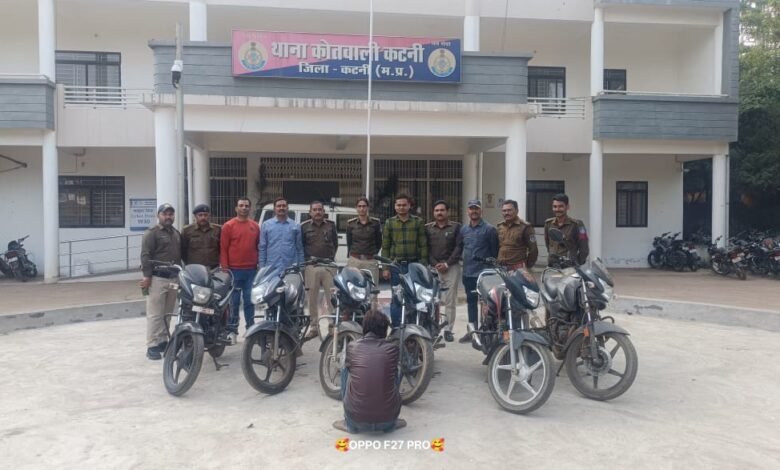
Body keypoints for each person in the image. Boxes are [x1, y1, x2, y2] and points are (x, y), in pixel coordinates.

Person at [333, 310, 406, 434]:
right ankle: (390, 423)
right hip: (388, 420)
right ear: (384, 330)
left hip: (355, 420)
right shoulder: (393, 349)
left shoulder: (352, 347)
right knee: (395, 368)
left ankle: (349, 423)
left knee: (346, 368)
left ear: (364, 328)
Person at [139, 203, 182, 360]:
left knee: (167, 312)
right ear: (158, 216)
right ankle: (152, 345)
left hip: (173, 278)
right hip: (157, 278)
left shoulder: (176, 233)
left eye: (171, 214)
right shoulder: (152, 233)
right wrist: (147, 276)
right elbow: (145, 255)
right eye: (165, 214)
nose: (168, 217)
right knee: (155, 314)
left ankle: (163, 340)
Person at [381, 193, 428, 328]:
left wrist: (423, 267)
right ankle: (396, 328)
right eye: (399, 205)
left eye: (404, 205)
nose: (401, 207)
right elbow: (386, 247)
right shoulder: (390, 223)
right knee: (397, 298)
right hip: (396, 267)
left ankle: (415, 327)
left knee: (416, 296)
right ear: (395, 206)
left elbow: (423, 245)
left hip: (414, 266)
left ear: (409, 206)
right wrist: (385, 268)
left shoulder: (418, 222)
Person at [220, 197, 260, 344]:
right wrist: (225, 268)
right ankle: (232, 330)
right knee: (234, 302)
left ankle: (251, 329)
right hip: (234, 270)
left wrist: (258, 265)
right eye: (241, 205)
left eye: (246, 206)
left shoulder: (255, 226)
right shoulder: (228, 226)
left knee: (250, 301)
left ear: (250, 208)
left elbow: (258, 247)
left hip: (251, 270)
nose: (244, 208)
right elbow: (223, 248)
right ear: (236, 208)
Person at [458, 199, 498, 344]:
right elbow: (459, 248)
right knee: (471, 302)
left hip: (484, 275)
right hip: (468, 273)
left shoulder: (489, 229)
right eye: (471, 208)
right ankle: (472, 331)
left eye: (476, 208)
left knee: (486, 304)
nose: (474, 211)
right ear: (467, 211)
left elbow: (494, 252)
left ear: (481, 210)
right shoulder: (463, 230)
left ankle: (486, 332)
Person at [425, 200, 463, 342]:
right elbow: (426, 248)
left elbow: (459, 247)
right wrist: (435, 264)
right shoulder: (428, 228)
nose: (439, 213)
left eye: (442, 210)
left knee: (449, 300)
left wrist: (447, 264)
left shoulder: (456, 227)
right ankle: (433, 328)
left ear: (448, 211)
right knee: (431, 300)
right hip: (433, 268)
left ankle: (448, 330)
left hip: (451, 267)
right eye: (437, 210)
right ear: (433, 212)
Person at [300, 200, 338, 339]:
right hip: (312, 265)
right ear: (310, 212)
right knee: (312, 298)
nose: (317, 212)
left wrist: (329, 258)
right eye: (314, 210)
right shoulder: (304, 227)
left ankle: (332, 327)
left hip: (328, 265)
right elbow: (302, 245)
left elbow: (335, 244)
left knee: (332, 298)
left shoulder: (331, 225)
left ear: (324, 211)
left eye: (320, 209)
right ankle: (314, 327)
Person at [259, 196, 304, 275]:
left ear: (288, 208)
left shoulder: (295, 226)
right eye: (279, 206)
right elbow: (262, 247)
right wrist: (262, 267)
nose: (281, 208)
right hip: (271, 268)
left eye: (284, 206)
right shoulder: (266, 225)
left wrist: (301, 266)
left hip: (290, 268)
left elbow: (299, 248)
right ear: (274, 209)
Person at [544, 193, 590, 266]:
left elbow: (584, 249)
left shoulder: (577, 224)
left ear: (567, 207)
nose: (557, 209)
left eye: (561, 206)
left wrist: (576, 263)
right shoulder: (548, 224)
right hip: (552, 265)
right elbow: (548, 244)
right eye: (555, 206)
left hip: (569, 267)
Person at [345, 197, 382, 287]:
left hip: (370, 261)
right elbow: (349, 242)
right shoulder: (350, 224)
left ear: (368, 208)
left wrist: (372, 254)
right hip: (355, 260)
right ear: (356, 208)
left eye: (364, 206)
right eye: (359, 206)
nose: (362, 209)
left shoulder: (375, 223)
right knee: (353, 287)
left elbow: (379, 242)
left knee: (372, 289)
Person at [496, 199, 538, 270]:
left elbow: (533, 250)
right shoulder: (500, 226)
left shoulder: (525, 227)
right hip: (501, 267)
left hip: (518, 268)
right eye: (504, 211)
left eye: (509, 210)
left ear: (517, 211)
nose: (506, 213)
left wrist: (527, 266)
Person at [181, 204, 221, 269]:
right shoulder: (187, 230)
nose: (203, 218)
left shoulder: (217, 229)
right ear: (195, 216)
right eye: (200, 215)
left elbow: (221, 248)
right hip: (194, 267)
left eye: (205, 215)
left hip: (214, 267)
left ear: (209, 216)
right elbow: (183, 249)